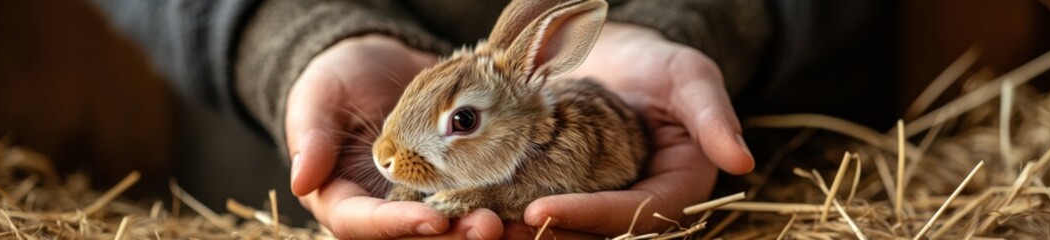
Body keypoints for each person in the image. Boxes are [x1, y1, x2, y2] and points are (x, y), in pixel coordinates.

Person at [90, 0, 894, 238]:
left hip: (789, 131)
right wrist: (283, 36)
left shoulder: (563, 144)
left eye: (466, 124)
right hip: (243, 148)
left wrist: (698, 21)